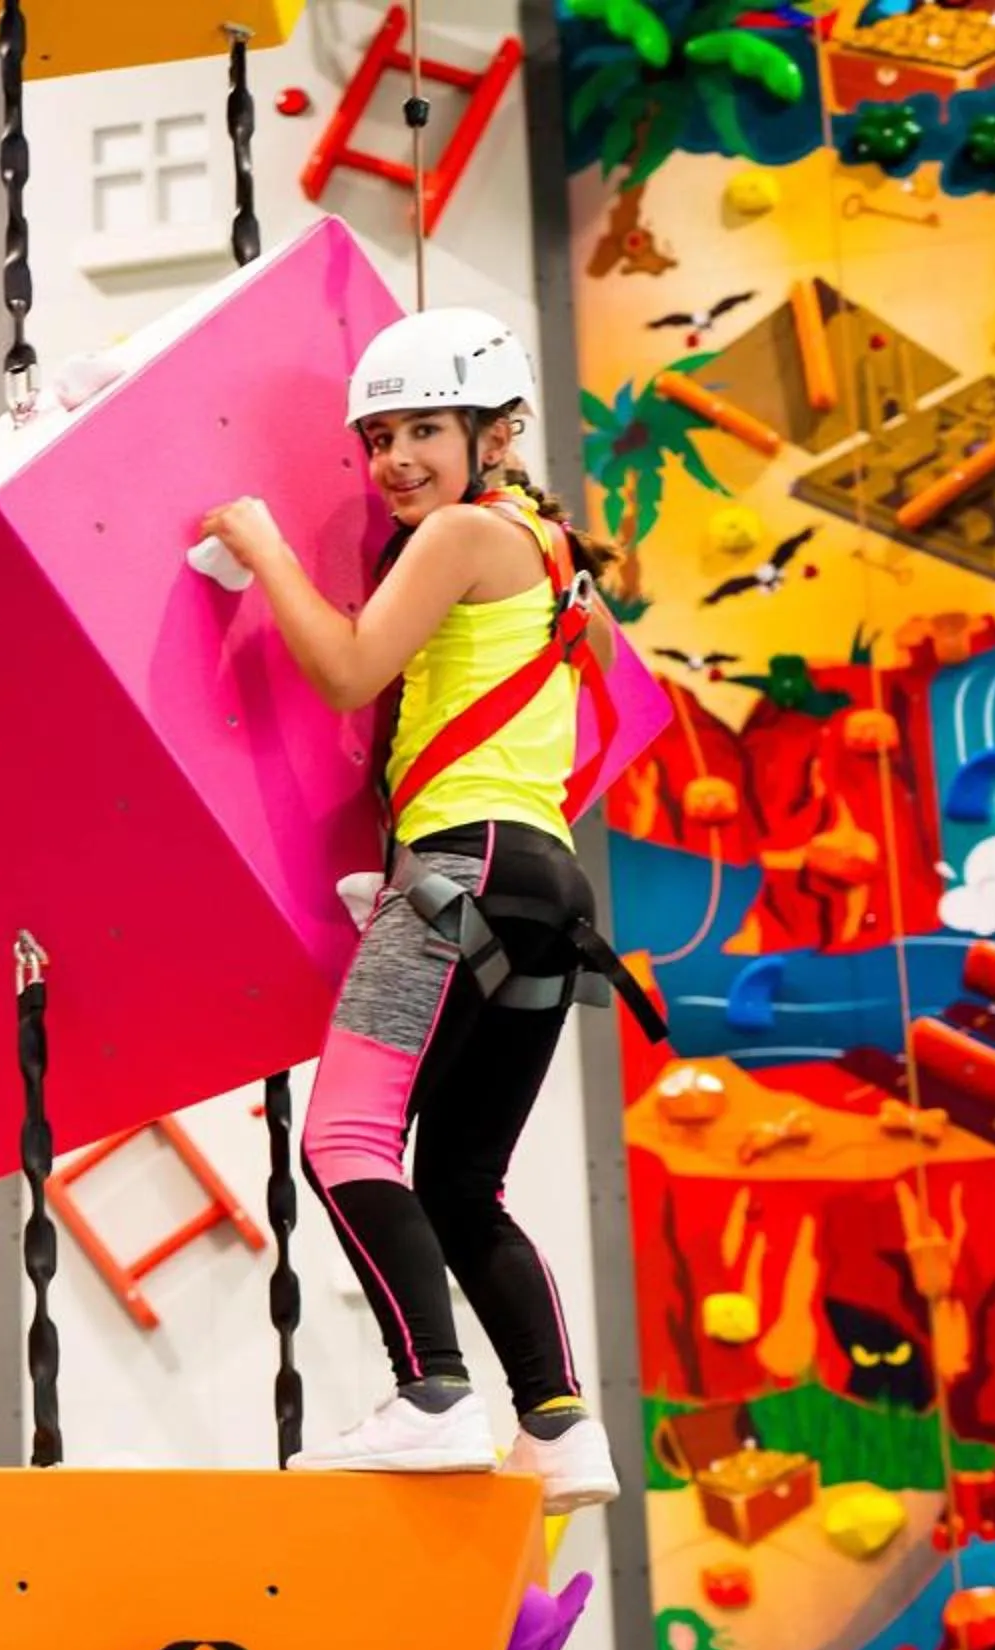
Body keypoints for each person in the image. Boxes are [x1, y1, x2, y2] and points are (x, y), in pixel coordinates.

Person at [195, 306, 660, 1514]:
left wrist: (262, 547)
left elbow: (350, 667)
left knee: (343, 1137)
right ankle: (558, 1426)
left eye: (424, 429)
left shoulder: (458, 535)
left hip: (461, 876)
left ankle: (434, 1395)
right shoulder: (557, 562)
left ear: (495, 433)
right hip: (545, 888)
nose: (394, 458)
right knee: (462, 1179)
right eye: (379, 436)